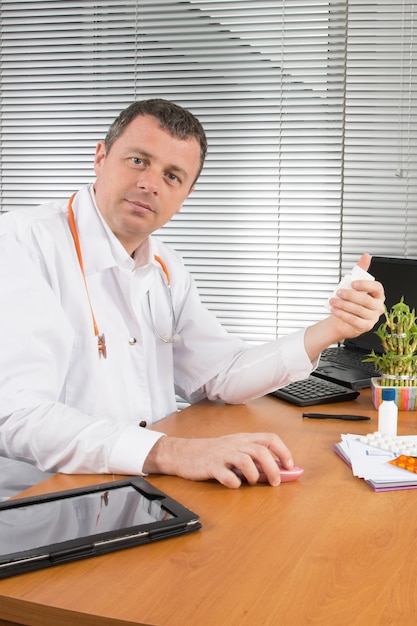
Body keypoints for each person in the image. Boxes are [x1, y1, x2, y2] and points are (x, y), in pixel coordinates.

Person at [0, 99, 385, 494]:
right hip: (45, 501)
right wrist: (173, 453)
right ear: (101, 157)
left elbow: (221, 374)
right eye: (138, 161)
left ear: (185, 195)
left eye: (172, 176)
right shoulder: (21, 244)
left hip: (141, 488)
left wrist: (334, 327)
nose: (150, 183)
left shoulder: (166, 267)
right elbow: (16, 416)